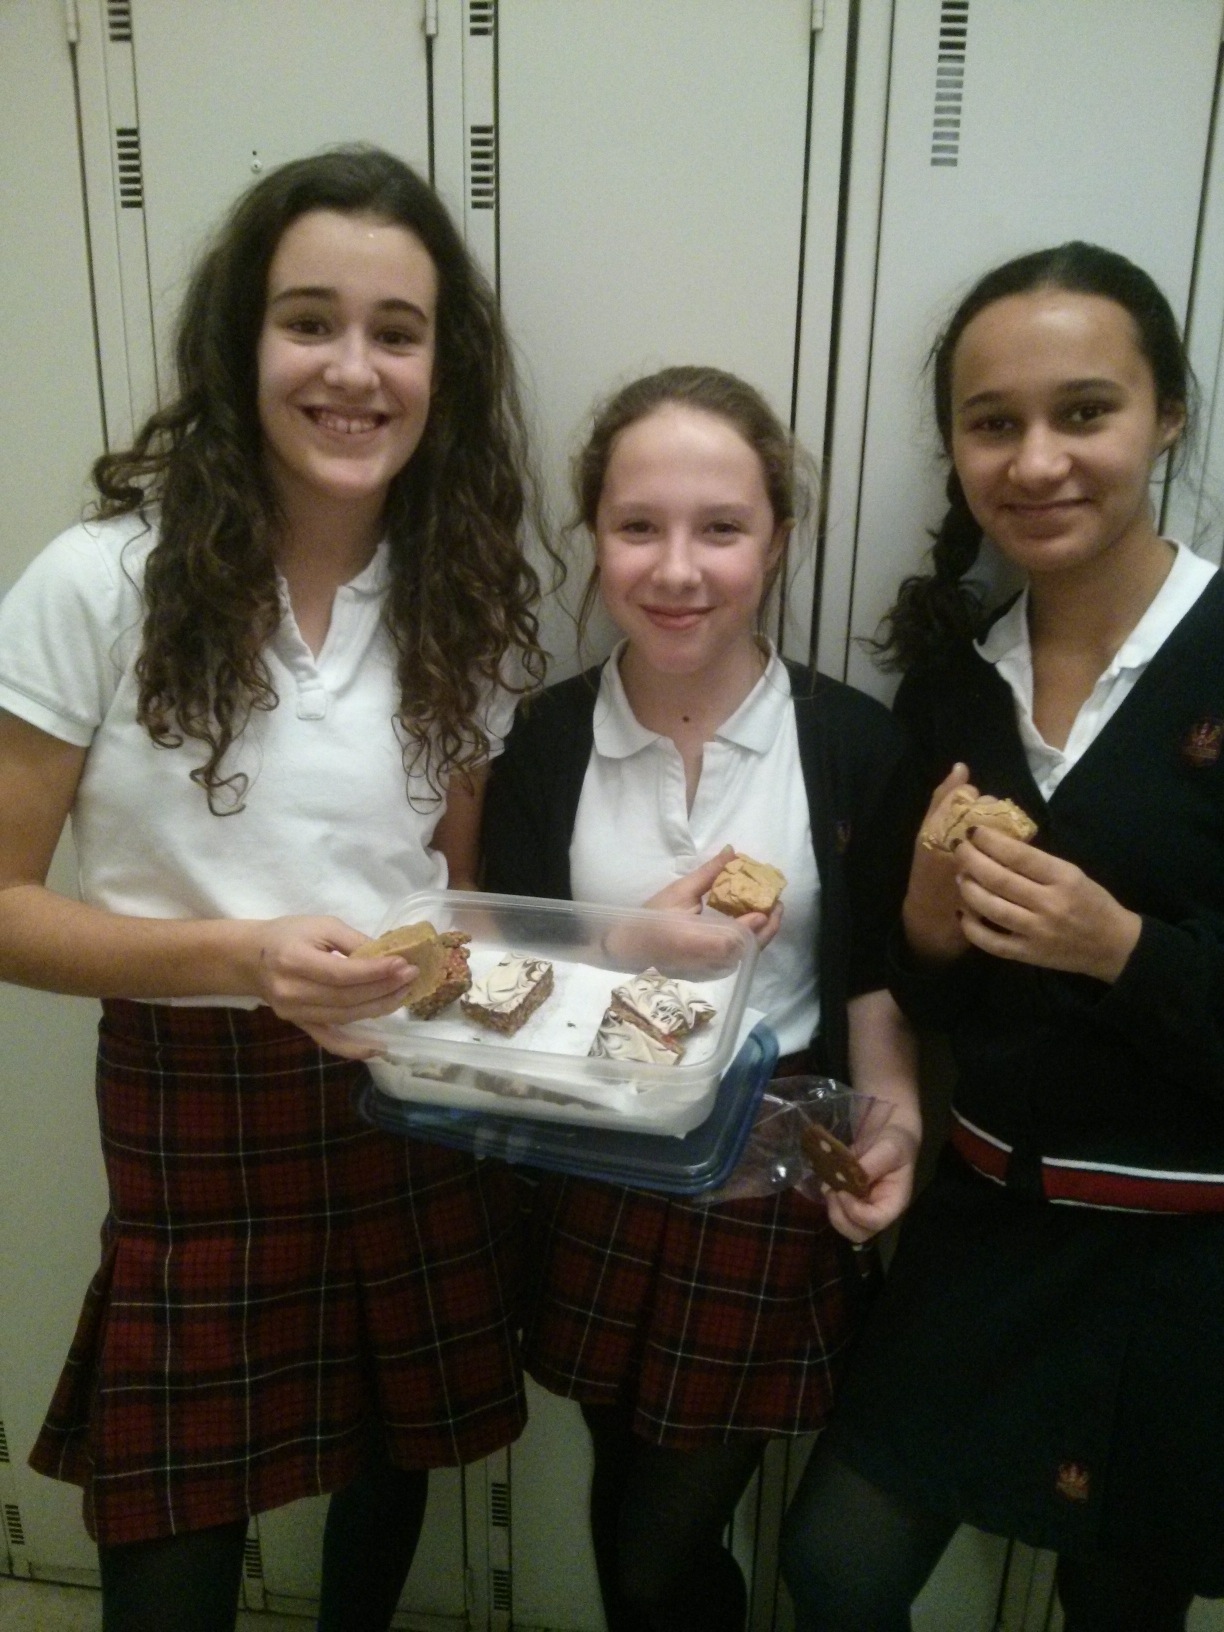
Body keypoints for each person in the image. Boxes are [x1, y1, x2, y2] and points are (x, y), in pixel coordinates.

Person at [0, 146, 550, 1632]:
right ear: (241, 341)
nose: (353, 370)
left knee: (396, 1442)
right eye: (310, 321)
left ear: (444, 367)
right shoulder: (97, 584)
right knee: (171, 1518)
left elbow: (460, 888)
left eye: (397, 332)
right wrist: (245, 958)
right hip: (194, 1108)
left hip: (403, 1092)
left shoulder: (465, 600)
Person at [778, 243, 1224, 1632]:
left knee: (1125, 1609)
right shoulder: (953, 692)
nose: (1036, 461)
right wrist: (925, 931)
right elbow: (928, 998)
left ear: (1168, 415)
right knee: (836, 1567)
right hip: (991, 1221)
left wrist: (1123, 948)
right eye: (993, 424)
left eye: (1085, 412)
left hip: (1189, 1255)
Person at [481, 366, 922, 1632]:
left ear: (776, 539)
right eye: (639, 526)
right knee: (625, 1490)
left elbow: (874, 975)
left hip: (763, 1172)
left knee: (651, 1555)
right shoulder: (548, 738)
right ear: (594, 535)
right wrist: (628, 944)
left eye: (721, 528)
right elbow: (500, 977)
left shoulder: (851, 742)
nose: (677, 570)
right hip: (594, 1156)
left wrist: (893, 1118)